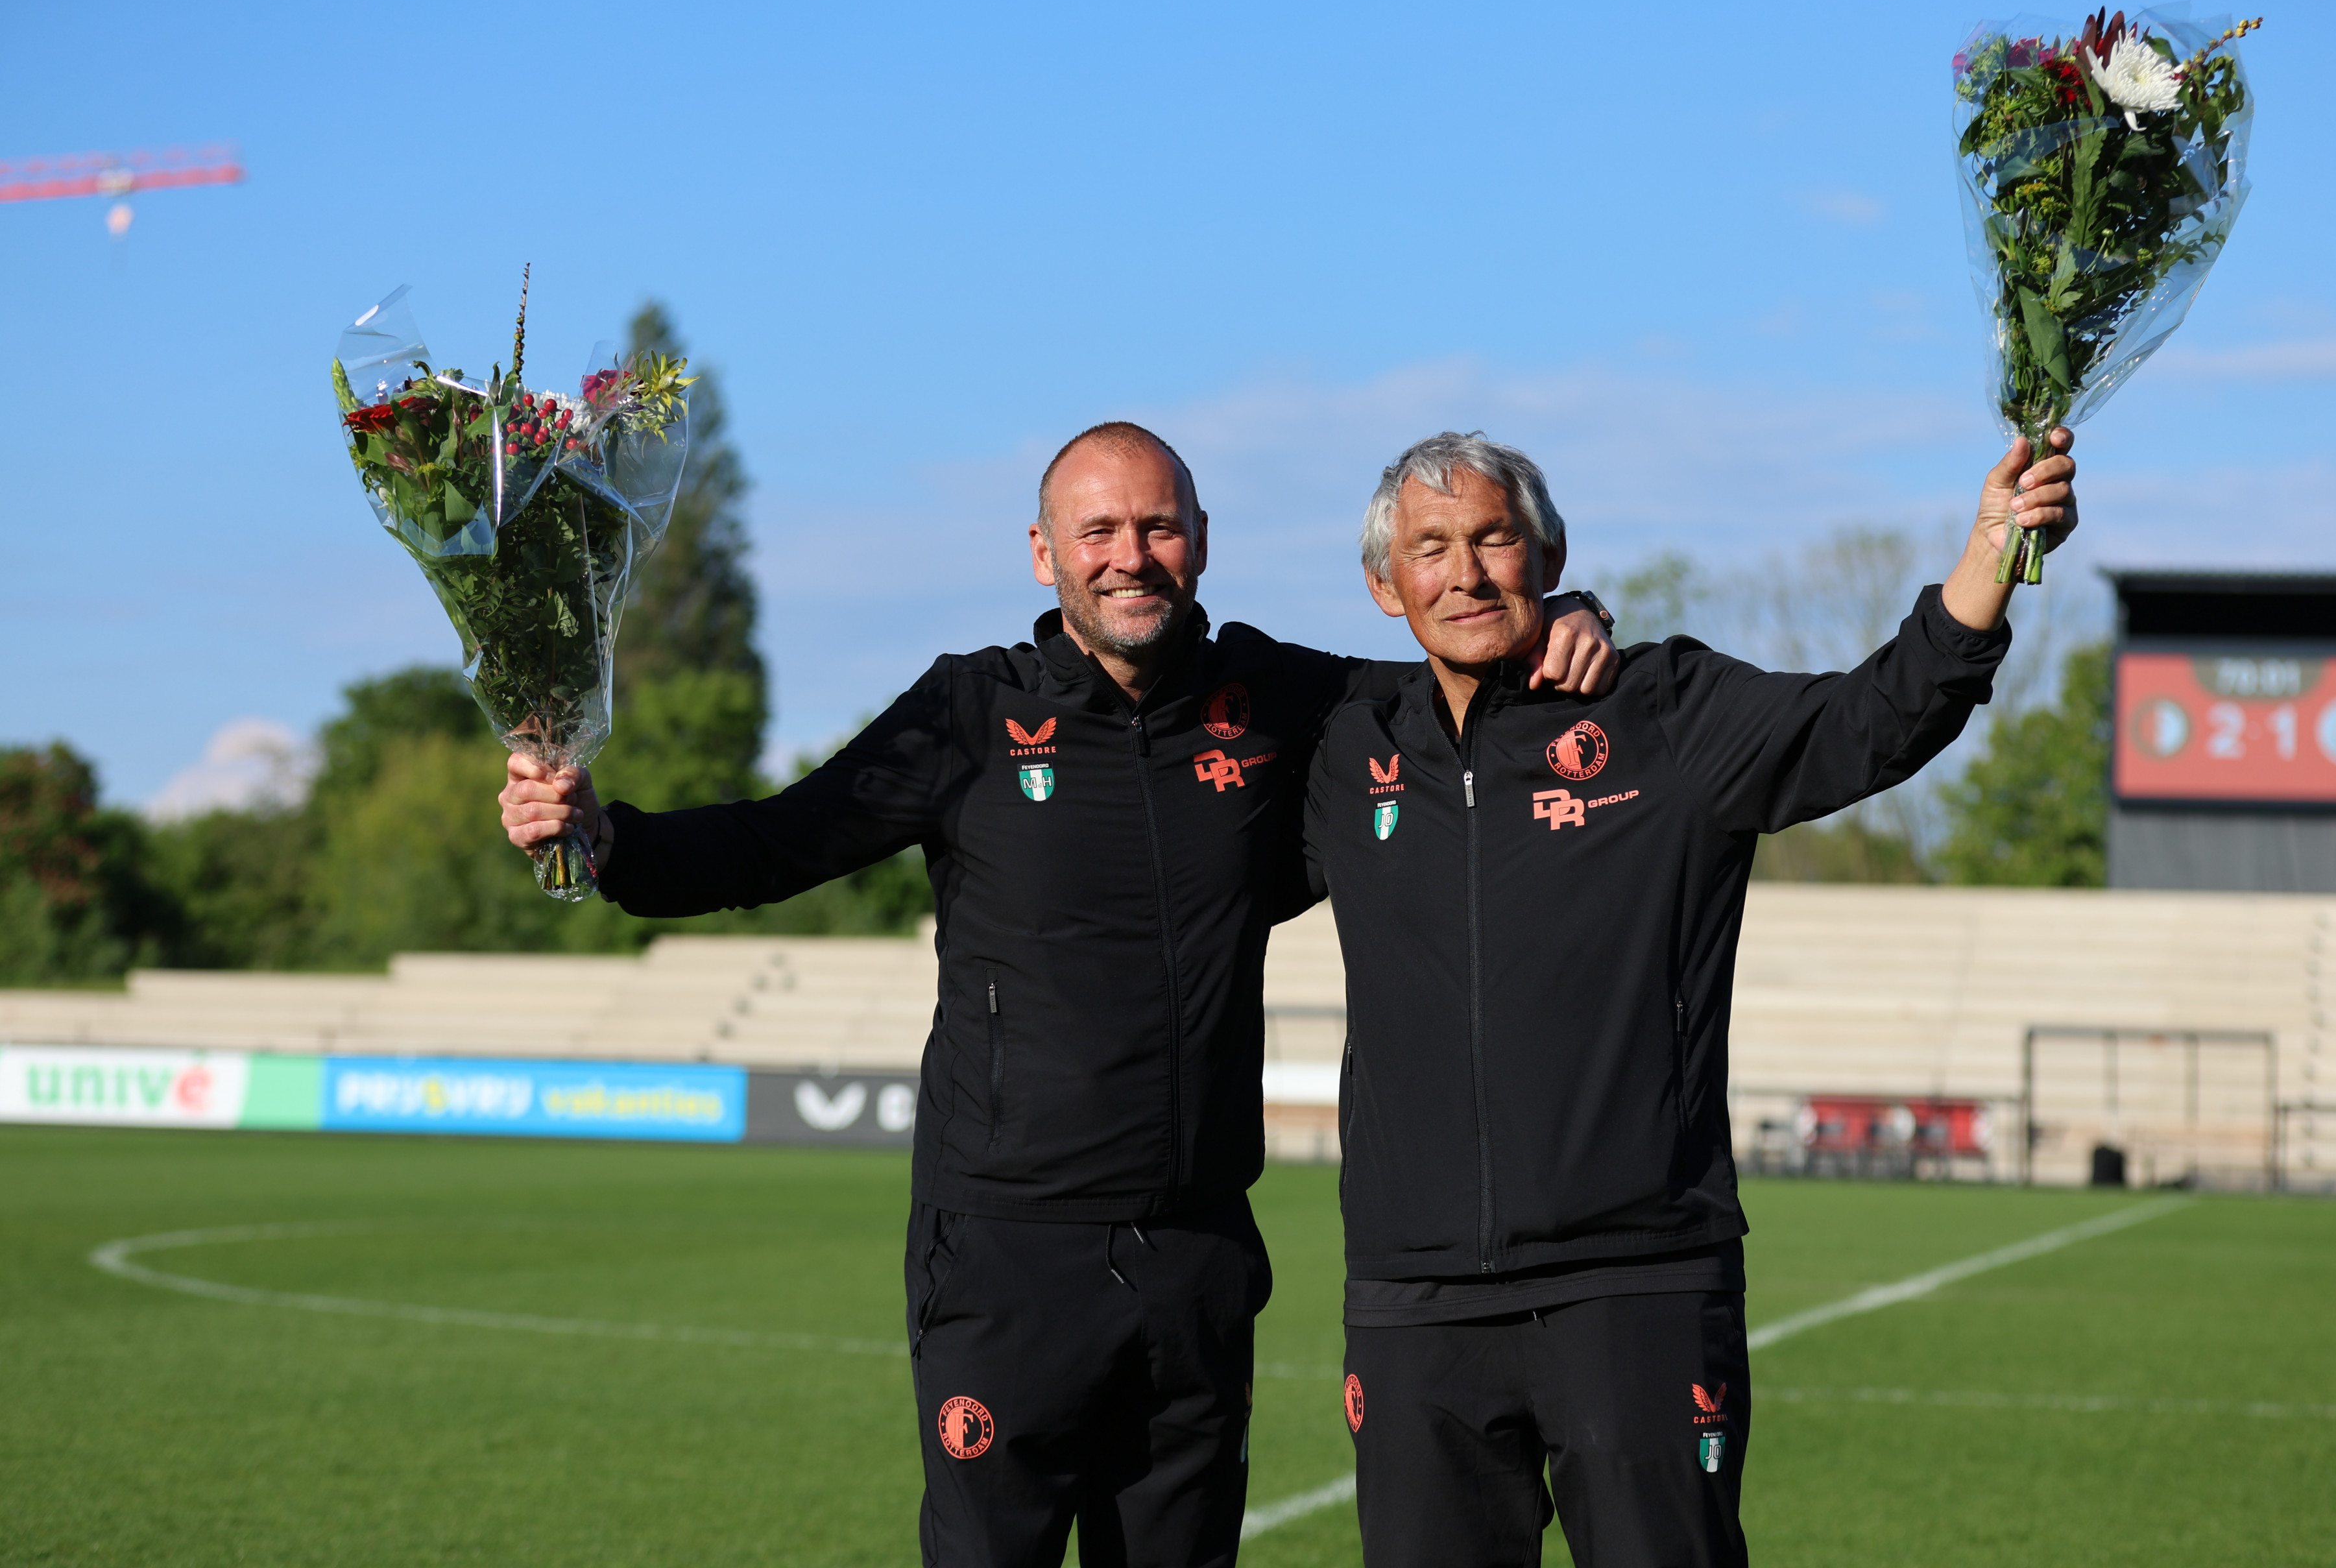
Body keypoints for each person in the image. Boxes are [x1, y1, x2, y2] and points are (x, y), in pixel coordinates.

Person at [498, 421, 1619, 1567]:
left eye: (1158, 527)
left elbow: (1457, 673)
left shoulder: (1284, 698)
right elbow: (773, 843)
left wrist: (1569, 617)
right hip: (1006, 1255)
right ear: (1044, 553)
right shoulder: (967, 712)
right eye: (1099, 531)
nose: (1130, 556)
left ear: (1200, 543)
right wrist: (607, 839)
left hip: (1195, 1255)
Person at [1300, 428, 2077, 1567]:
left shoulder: (1663, 711)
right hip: (1414, 1301)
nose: (1463, 574)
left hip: (1637, 1284)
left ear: (1549, 554)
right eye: (1429, 549)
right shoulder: (1341, 745)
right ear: (1384, 585)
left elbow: (1875, 719)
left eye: (1493, 539)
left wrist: (1991, 556)